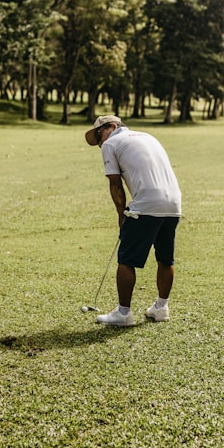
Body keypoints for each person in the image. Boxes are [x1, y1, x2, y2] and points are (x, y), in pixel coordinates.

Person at [85, 115, 182, 326]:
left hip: (146, 203)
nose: (100, 141)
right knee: (165, 257)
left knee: (126, 259)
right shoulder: (148, 136)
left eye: (99, 134)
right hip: (174, 203)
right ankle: (161, 308)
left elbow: (115, 184)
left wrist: (121, 214)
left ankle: (123, 314)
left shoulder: (111, 143)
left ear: (112, 126)